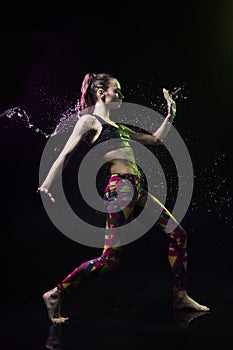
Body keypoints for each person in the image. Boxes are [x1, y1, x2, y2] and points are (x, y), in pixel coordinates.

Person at [37, 72, 210, 324]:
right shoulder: (89, 122)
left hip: (137, 190)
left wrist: (170, 115)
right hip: (121, 191)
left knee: (178, 234)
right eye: (117, 90)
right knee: (110, 259)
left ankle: (180, 297)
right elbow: (65, 155)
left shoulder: (119, 127)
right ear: (101, 93)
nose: (121, 95)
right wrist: (47, 183)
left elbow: (154, 139)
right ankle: (55, 294)